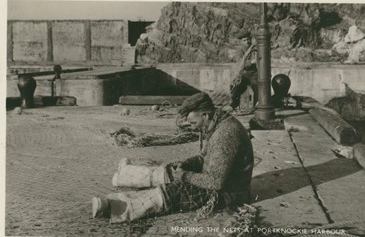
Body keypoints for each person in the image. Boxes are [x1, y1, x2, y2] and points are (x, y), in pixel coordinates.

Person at [92, 92, 254, 223]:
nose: (192, 127)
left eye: (192, 122)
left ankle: (117, 208)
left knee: (176, 191)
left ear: (205, 115)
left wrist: (184, 176)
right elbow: (203, 157)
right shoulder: (216, 123)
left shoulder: (225, 134)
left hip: (229, 193)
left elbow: (215, 183)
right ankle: (125, 177)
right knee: (172, 170)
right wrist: (185, 164)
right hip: (218, 180)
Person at [230, 31, 259, 109]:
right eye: (244, 40)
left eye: (248, 39)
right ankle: (234, 102)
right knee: (235, 84)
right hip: (244, 73)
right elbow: (240, 64)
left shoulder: (255, 48)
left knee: (257, 84)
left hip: (254, 73)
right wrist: (252, 62)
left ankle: (257, 104)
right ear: (241, 41)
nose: (247, 42)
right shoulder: (239, 50)